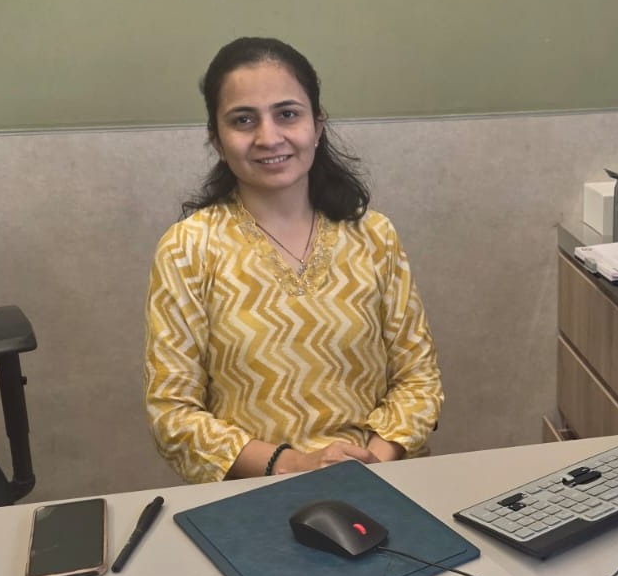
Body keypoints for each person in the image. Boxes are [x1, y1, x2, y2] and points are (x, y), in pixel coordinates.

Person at [145, 38, 443, 483]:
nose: (268, 138)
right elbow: (173, 414)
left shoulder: (374, 236)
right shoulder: (187, 249)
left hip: (381, 481)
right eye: (243, 120)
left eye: (287, 114)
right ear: (217, 139)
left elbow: (419, 380)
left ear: (317, 126)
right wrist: (297, 465)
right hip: (255, 493)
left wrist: (370, 465)